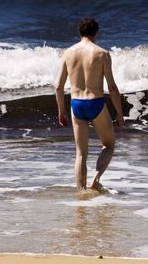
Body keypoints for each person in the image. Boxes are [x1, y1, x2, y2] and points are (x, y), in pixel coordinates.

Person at [55, 17, 124, 191]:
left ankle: (81, 193)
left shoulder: (68, 53)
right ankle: (95, 180)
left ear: (80, 32)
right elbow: (112, 87)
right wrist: (120, 113)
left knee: (80, 153)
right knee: (108, 144)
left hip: (76, 104)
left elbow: (58, 87)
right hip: (96, 103)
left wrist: (61, 112)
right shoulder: (102, 54)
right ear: (96, 33)